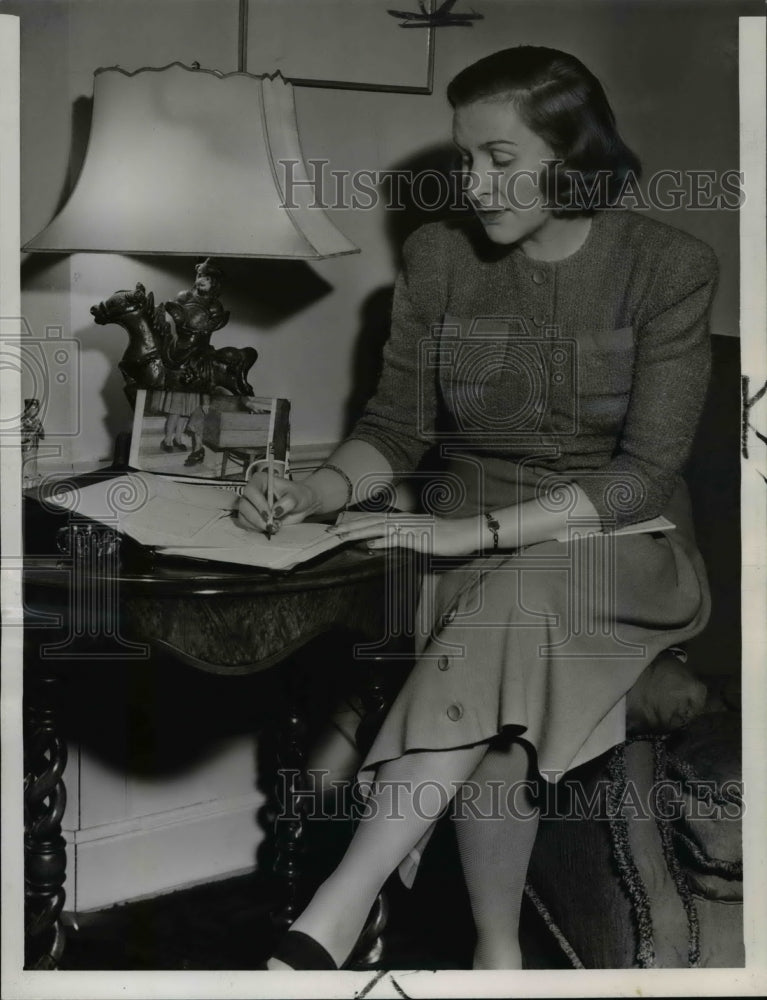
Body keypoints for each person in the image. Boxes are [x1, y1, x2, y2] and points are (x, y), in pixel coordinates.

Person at [237, 46, 718, 970]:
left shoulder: (666, 267)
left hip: (619, 544)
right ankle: (498, 959)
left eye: (500, 159)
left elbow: (645, 474)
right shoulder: (438, 258)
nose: (474, 183)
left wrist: (476, 532)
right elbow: (392, 429)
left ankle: (336, 907)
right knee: (504, 691)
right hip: (472, 554)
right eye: (465, 158)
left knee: (521, 599)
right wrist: (313, 488)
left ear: (571, 158)